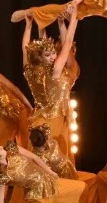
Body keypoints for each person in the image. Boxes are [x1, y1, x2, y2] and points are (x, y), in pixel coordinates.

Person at [22, 14, 79, 154]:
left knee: (40, 156)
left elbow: (25, 48)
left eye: (53, 53)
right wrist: (73, 18)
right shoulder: (55, 71)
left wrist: (29, 25)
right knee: (53, 156)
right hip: (54, 121)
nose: (53, 57)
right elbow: (68, 43)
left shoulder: (30, 69)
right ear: (40, 57)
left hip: (41, 119)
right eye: (48, 55)